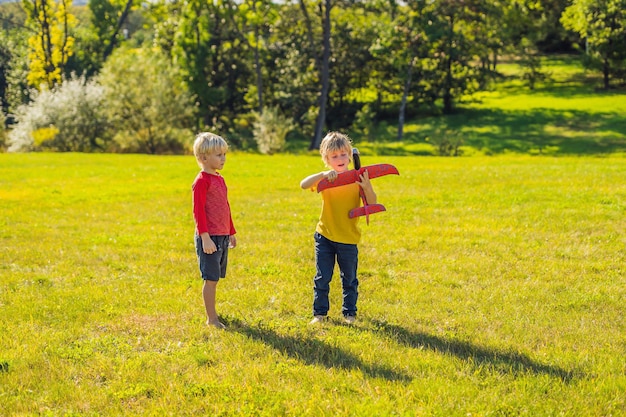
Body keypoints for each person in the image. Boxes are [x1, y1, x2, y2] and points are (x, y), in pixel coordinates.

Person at [300, 132, 376, 325]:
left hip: (348, 238)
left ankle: (349, 313)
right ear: (327, 159)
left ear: (350, 155)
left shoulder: (356, 178)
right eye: (334, 156)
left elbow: (372, 204)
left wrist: (366, 186)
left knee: (349, 278)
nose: (340, 159)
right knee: (322, 277)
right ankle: (319, 314)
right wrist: (323, 175)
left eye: (343, 154)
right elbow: (303, 184)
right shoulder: (327, 180)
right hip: (324, 235)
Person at [192, 132, 237, 329]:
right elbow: (198, 211)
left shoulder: (219, 179)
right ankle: (211, 319)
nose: (223, 159)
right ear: (203, 158)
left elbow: (225, 206)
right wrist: (205, 237)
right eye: (218, 155)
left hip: (222, 235)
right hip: (209, 238)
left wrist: (232, 232)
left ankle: (214, 315)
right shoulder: (202, 181)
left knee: (215, 278)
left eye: (224, 154)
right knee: (210, 279)